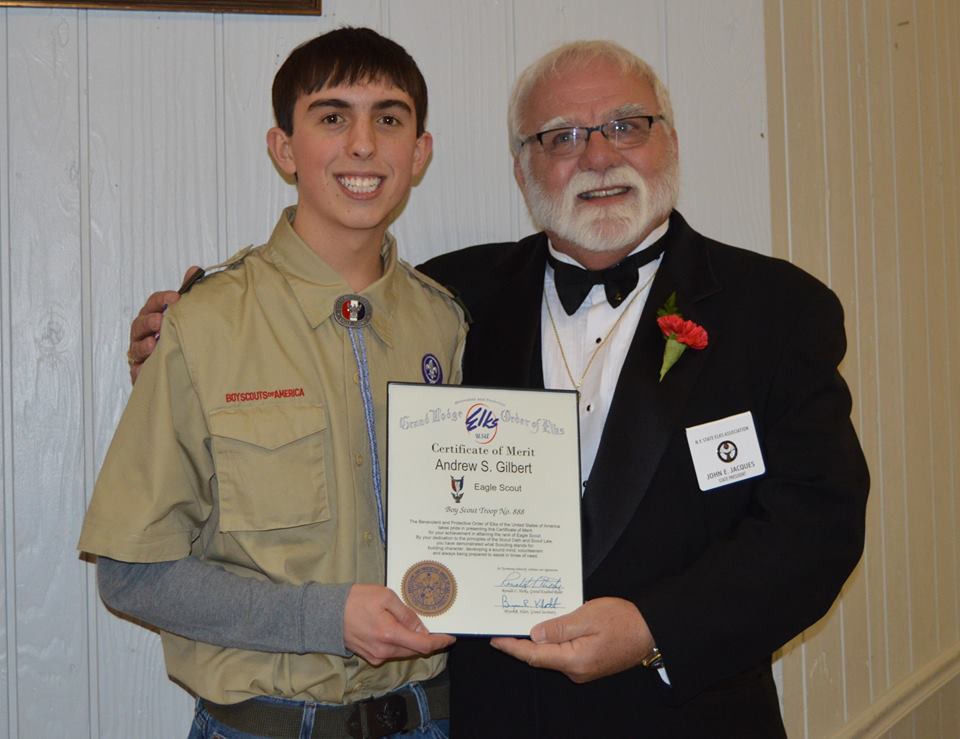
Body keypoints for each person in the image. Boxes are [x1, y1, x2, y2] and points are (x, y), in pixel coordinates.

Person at [128, 40, 869, 738]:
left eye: (626, 125)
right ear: (522, 168)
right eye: (562, 136)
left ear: (669, 141)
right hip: (491, 716)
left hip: (689, 715)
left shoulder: (776, 309)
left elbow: (817, 527)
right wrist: (182, 338)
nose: (600, 154)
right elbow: (310, 342)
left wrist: (655, 627)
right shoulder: (451, 298)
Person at [80, 28, 465, 739]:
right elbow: (131, 573)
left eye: (389, 117)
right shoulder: (207, 324)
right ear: (284, 148)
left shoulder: (444, 325)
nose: (361, 143)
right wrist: (324, 617)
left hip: (426, 721)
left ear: (420, 151)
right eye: (330, 116)